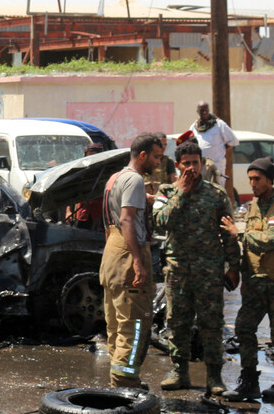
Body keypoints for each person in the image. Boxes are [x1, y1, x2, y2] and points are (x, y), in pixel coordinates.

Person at [152, 140, 240, 395]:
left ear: (202, 163)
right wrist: (181, 191)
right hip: (178, 272)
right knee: (177, 323)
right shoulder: (167, 192)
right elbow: (159, 223)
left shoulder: (216, 194)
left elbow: (229, 234)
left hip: (209, 272)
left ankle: (215, 376)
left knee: (211, 323)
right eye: (186, 163)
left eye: (195, 163)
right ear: (178, 165)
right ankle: (179, 372)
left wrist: (233, 266)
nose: (191, 168)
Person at [220, 157, 274, 400]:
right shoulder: (253, 206)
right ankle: (249, 381)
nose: (252, 183)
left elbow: (271, 240)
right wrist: (235, 269)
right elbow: (246, 246)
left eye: (257, 179)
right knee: (244, 328)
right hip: (254, 282)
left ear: (269, 180)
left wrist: (239, 231)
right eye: (250, 179)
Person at [100, 133, 162, 389]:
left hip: (111, 252)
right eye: (156, 157)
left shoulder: (114, 178)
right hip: (128, 252)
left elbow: (111, 219)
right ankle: (126, 381)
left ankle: (119, 378)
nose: (158, 162)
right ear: (143, 155)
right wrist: (137, 260)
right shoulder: (135, 179)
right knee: (135, 322)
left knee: (115, 322)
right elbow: (126, 219)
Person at [189, 101, 238, 185]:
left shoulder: (219, 124)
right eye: (202, 110)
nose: (204, 112)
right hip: (201, 166)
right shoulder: (194, 126)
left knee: (217, 190)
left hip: (217, 164)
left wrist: (219, 150)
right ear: (197, 112)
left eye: (206, 110)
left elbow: (232, 141)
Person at [71, 142, 106, 230]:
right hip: (83, 212)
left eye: (93, 156)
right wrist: (68, 211)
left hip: (99, 213)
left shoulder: (106, 170)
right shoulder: (81, 171)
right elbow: (72, 192)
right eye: (88, 156)